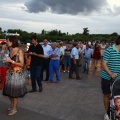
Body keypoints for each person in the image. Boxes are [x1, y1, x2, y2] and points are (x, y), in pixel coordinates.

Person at [3, 36, 27, 116]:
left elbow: (22, 64)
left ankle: (14, 109)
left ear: (12, 42)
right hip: (9, 73)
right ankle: (12, 105)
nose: (7, 42)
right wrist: (6, 60)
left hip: (16, 75)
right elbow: (8, 60)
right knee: (9, 91)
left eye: (8, 41)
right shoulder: (9, 50)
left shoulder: (19, 51)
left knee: (14, 93)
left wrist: (11, 61)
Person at [101, 36, 120, 120]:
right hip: (106, 77)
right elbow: (103, 64)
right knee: (107, 95)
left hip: (118, 79)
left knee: (117, 97)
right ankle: (107, 113)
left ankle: (116, 113)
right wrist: (110, 73)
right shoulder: (109, 50)